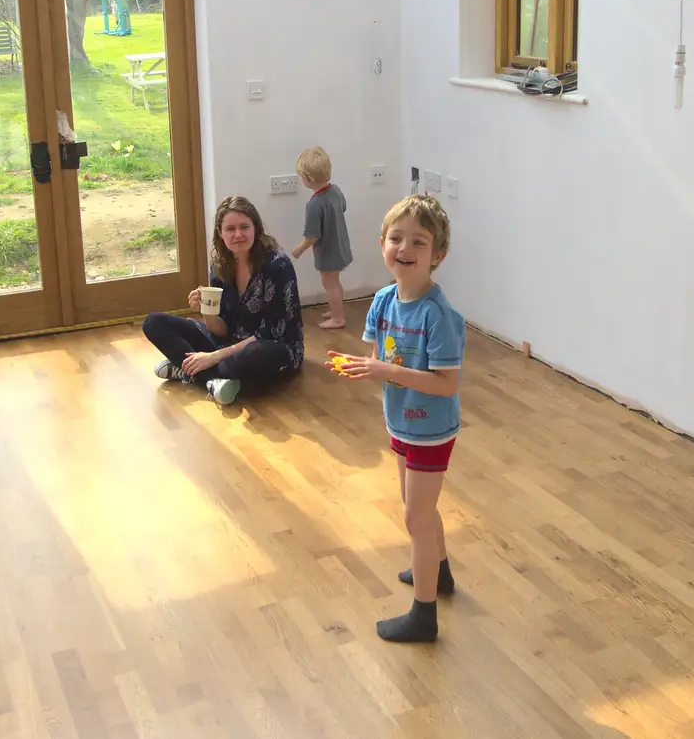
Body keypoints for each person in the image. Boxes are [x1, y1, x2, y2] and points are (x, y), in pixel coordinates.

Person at [332, 195, 465, 643]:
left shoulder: (438, 315)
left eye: (419, 242)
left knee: (415, 519)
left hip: (430, 431)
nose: (404, 248)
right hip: (401, 422)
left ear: (438, 256)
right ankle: (439, 573)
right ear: (382, 244)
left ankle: (424, 616)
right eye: (396, 238)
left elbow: (446, 383)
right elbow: (380, 358)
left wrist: (386, 371)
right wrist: (362, 365)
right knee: (421, 512)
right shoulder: (384, 300)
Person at [142, 196, 304, 405]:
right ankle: (212, 380)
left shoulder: (277, 265)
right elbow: (222, 330)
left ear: (256, 228)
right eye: (230, 229)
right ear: (220, 233)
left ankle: (188, 370)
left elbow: (270, 333)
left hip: (272, 347)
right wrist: (206, 311)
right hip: (229, 342)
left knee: (254, 355)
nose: (238, 234)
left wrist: (213, 357)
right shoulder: (220, 263)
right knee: (153, 323)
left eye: (244, 227)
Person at [290, 146, 353, 330]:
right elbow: (343, 208)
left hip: (329, 251)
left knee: (329, 283)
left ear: (308, 179)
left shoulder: (314, 204)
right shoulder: (336, 190)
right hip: (341, 245)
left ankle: (338, 318)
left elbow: (312, 235)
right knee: (335, 282)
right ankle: (336, 310)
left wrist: (299, 248)